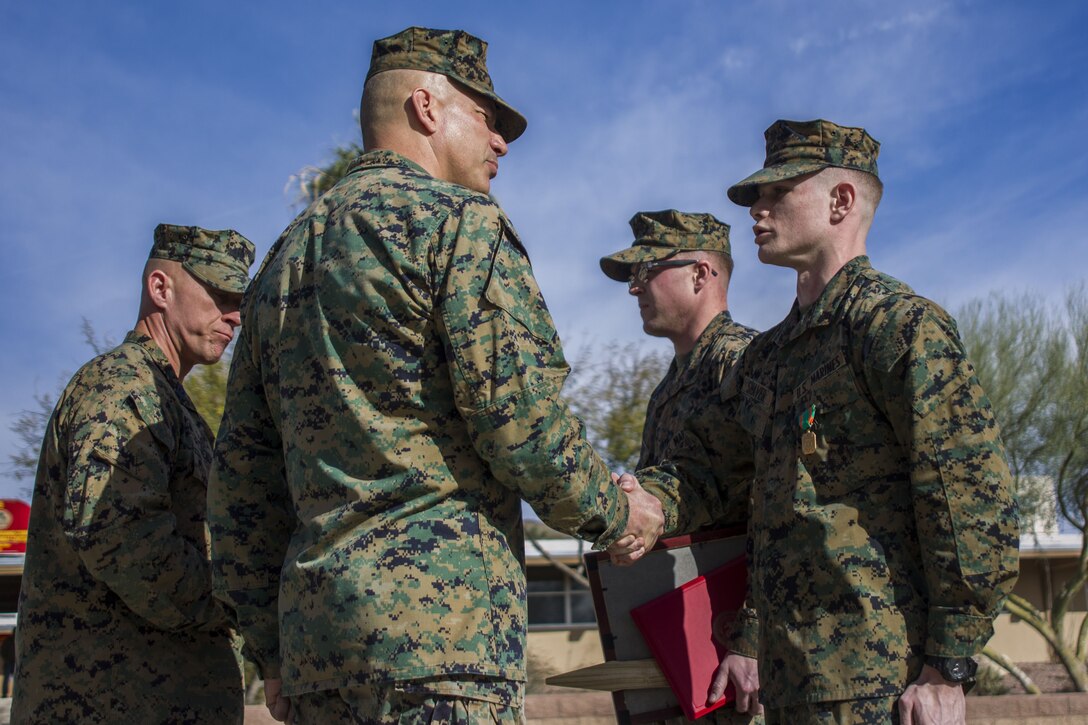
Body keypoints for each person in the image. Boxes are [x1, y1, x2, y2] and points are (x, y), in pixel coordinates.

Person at [207, 26, 662, 725]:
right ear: (426, 107)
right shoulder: (459, 224)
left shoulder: (279, 264)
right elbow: (522, 424)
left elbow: (241, 487)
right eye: (485, 116)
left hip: (316, 655)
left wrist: (272, 652)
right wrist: (619, 511)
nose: (502, 141)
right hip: (442, 650)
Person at [615, 119, 1019, 724]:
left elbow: (968, 497)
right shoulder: (767, 359)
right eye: (756, 196)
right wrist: (642, 506)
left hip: (880, 680)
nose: (757, 208)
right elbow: (734, 491)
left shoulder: (898, 327)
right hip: (788, 682)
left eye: (778, 192)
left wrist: (948, 667)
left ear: (841, 201)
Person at [12, 224, 255, 724]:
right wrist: (235, 601)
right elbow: (121, 538)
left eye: (240, 301)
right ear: (160, 288)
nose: (234, 315)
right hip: (106, 703)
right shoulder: (122, 386)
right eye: (219, 294)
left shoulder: (166, 399)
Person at [602, 210, 763, 721]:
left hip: (741, 662)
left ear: (701, 273)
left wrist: (752, 638)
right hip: (691, 647)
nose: (634, 288)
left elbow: (787, 505)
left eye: (648, 271)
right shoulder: (669, 387)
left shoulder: (744, 362)